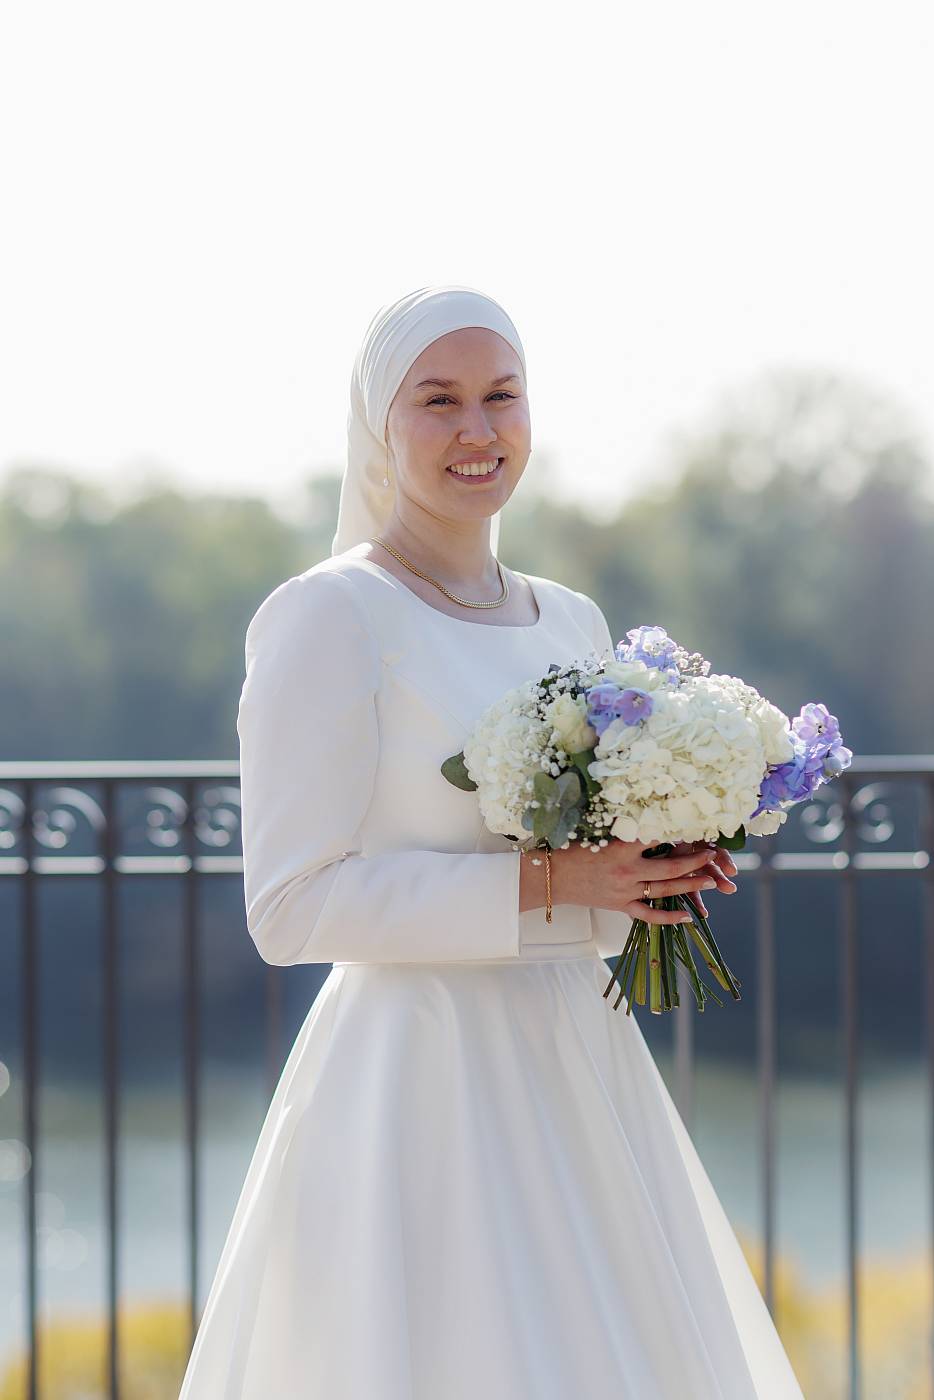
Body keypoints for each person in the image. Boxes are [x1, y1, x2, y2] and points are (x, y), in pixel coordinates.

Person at [177, 285, 805, 1398]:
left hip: (577, 1066)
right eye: (439, 399)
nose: (478, 428)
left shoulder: (568, 619)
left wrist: (649, 876)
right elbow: (289, 907)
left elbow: (589, 886)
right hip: (417, 1080)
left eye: (501, 395)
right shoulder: (328, 614)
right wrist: (555, 877)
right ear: (380, 423)